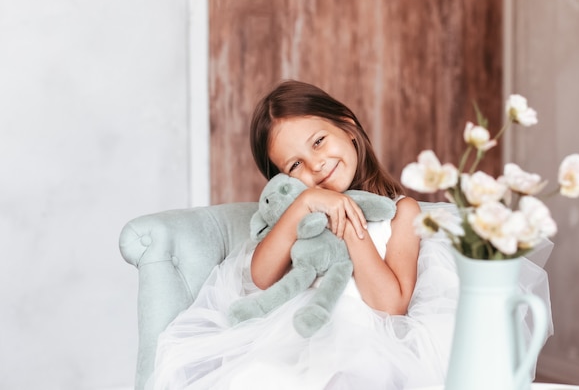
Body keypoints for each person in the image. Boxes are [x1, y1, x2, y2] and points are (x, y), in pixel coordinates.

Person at [146, 80, 553, 390]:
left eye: (319, 142)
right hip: (294, 340)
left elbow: (391, 305)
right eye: (295, 166)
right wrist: (306, 205)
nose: (316, 165)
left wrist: (352, 225)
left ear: (348, 126)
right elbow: (260, 277)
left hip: (370, 343)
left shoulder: (401, 213)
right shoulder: (294, 218)